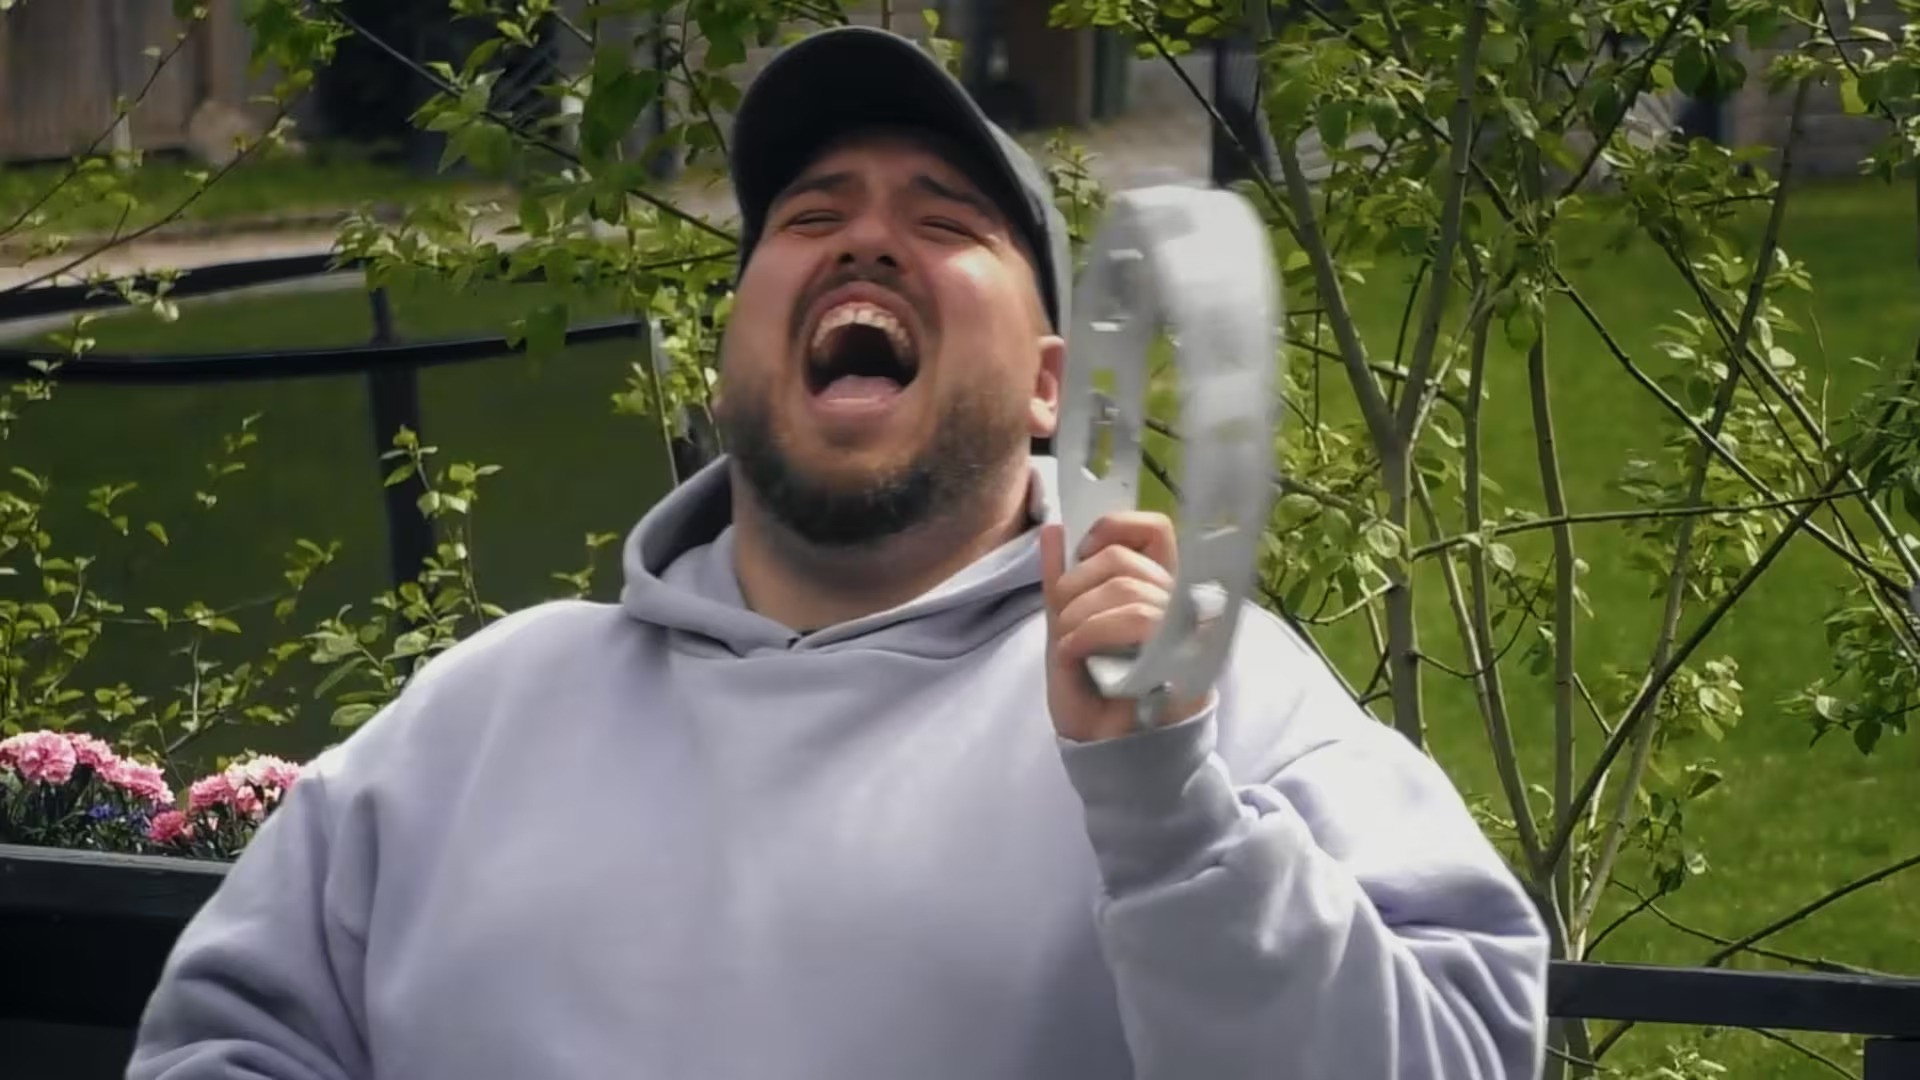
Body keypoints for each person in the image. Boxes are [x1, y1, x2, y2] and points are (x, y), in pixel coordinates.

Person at [126, 25, 1550, 1080]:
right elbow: (228, 1042)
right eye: (811, 217)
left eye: (945, 222)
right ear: (728, 356)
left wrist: (1169, 819)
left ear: (1051, 386)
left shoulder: (1206, 699)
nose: (865, 245)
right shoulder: (479, 716)